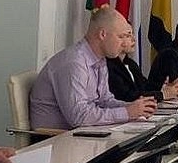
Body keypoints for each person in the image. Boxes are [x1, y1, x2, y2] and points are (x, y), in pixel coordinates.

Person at [29, 7, 158, 130]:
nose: (124, 43)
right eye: (120, 37)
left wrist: (134, 107)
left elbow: (104, 101)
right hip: (55, 138)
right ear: (103, 34)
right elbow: (79, 117)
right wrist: (127, 112)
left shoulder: (100, 60)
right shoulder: (74, 63)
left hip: (82, 133)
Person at [107, 31, 178, 102]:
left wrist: (164, 88)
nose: (133, 39)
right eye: (128, 35)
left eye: (132, 34)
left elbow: (145, 87)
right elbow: (128, 96)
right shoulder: (109, 67)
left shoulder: (131, 64)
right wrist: (162, 94)